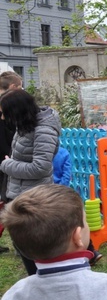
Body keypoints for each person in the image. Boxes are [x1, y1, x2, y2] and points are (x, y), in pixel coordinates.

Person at [0, 89, 61, 275]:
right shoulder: (25, 125)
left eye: (4, 113)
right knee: (23, 247)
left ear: (17, 111)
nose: (2, 118)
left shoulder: (44, 129)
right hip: (20, 194)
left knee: (33, 249)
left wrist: (7, 164)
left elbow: (40, 167)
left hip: (34, 198)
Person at [0, 71, 22, 255]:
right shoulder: (5, 107)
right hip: (5, 163)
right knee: (7, 202)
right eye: (20, 87)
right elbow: (6, 141)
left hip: (7, 162)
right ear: (13, 87)